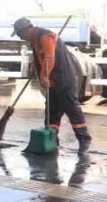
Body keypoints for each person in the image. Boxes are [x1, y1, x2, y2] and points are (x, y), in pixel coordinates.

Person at [12, 18, 92, 153]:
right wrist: (34, 69)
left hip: (63, 76)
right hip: (53, 79)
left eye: (20, 33)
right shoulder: (34, 38)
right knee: (51, 110)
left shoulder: (45, 36)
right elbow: (40, 56)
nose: (20, 37)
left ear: (27, 29)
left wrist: (44, 75)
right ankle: (52, 141)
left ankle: (84, 139)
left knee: (71, 107)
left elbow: (49, 58)